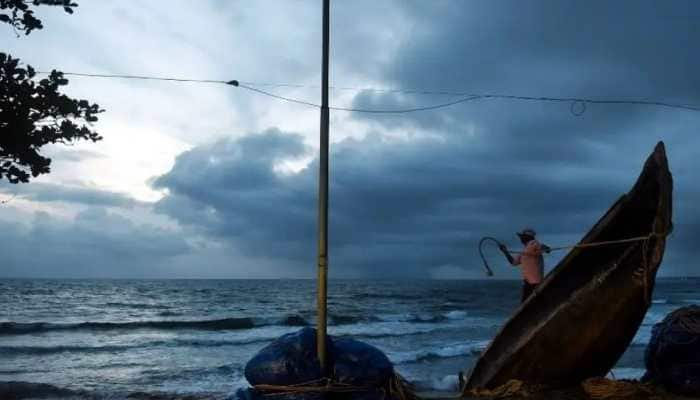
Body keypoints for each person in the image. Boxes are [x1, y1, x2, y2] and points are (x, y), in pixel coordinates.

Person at [498, 228, 550, 303]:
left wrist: (546, 248)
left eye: (522, 236)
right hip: (528, 282)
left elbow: (542, 247)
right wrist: (505, 252)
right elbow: (513, 262)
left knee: (528, 303)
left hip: (535, 282)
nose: (520, 239)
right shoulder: (524, 250)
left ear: (528, 237)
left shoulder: (534, 243)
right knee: (527, 303)